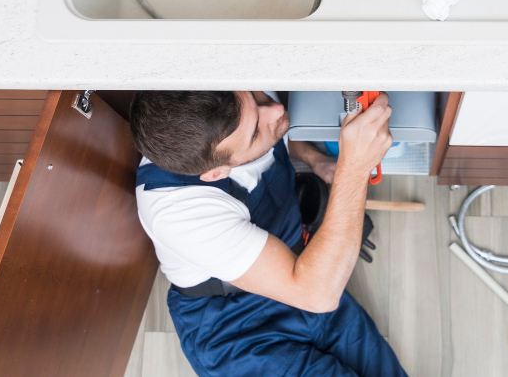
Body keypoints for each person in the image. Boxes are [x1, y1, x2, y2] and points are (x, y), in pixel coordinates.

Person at [128, 90, 406, 377]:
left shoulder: (237, 100)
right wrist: (356, 167)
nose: (275, 109)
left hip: (299, 270)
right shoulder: (177, 212)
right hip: (234, 330)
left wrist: (313, 158)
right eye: (253, 133)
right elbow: (319, 294)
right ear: (218, 172)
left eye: (256, 98)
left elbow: (274, 133)